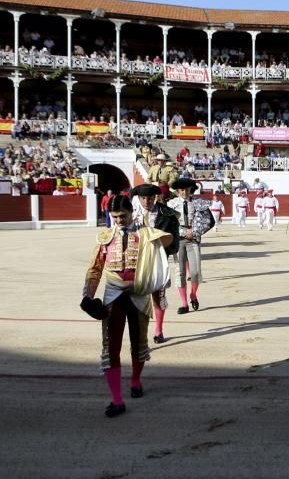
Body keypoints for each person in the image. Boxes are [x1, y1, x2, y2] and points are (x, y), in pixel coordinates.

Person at [81, 194, 173, 417]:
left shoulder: (146, 235)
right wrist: (87, 296)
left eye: (122, 216)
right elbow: (95, 270)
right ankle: (117, 399)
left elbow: (158, 267)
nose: (119, 221)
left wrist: (158, 294)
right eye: (114, 217)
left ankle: (135, 381)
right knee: (111, 347)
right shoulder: (105, 237)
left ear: (131, 212)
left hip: (138, 294)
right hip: (113, 294)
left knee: (139, 344)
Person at [131, 183, 180, 344]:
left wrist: (163, 245)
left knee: (158, 296)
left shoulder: (167, 214)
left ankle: (158, 330)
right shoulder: (130, 213)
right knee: (137, 297)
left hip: (158, 259)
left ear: (156, 197)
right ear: (138, 198)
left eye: (150, 198)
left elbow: (174, 242)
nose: (146, 202)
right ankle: (139, 330)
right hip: (136, 259)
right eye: (143, 198)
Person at [167, 178, 215, 313]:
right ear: (177, 191)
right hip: (178, 239)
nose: (184, 192)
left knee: (195, 272)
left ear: (190, 190)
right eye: (181, 190)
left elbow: (209, 221)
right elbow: (169, 224)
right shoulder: (171, 204)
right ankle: (184, 304)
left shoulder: (198, 202)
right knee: (180, 272)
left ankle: (193, 295)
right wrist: (183, 231)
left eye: (187, 189)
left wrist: (194, 232)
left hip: (194, 239)